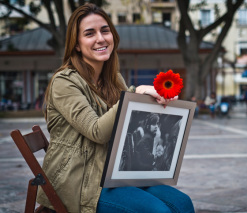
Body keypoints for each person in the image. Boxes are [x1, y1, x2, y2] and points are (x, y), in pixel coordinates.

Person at [36, 3, 194, 213]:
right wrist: (135, 95)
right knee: (160, 211)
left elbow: (127, 126)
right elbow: (97, 131)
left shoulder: (113, 79)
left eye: (105, 30)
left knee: (183, 203)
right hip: (82, 182)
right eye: (89, 33)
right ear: (76, 44)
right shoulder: (64, 82)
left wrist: (158, 110)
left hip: (115, 174)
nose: (100, 38)